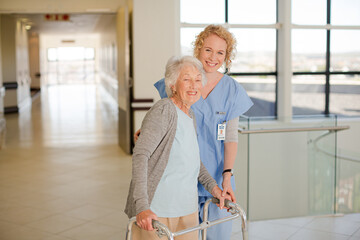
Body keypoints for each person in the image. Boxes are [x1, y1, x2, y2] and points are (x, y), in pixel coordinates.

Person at [151, 25, 254, 240]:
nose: (213, 57)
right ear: (198, 48)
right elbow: (166, 118)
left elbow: (231, 137)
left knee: (217, 234)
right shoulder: (181, 79)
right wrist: (145, 130)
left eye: (220, 52)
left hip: (216, 178)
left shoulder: (231, 89)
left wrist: (227, 175)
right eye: (208, 50)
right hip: (180, 176)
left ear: (227, 56)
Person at [125, 55, 228, 240]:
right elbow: (141, 156)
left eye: (197, 80)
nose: (193, 85)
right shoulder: (164, 110)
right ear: (172, 84)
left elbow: (194, 161)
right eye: (186, 79)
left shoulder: (190, 115)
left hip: (187, 210)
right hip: (157, 211)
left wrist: (214, 188)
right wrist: (142, 207)